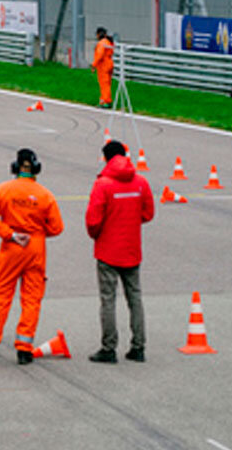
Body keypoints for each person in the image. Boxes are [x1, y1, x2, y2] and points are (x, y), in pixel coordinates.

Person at [0, 148, 64, 365]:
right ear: (36, 169)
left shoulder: (3, 190)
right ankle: (24, 349)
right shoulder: (45, 195)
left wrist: (11, 234)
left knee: (1, 296)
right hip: (35, 248)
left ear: (15, 167)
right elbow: (57, 227)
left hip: (12, 246)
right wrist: (38, 234)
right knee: (32, 299)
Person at [86, 140, 154, 364]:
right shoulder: (141, 182)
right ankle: (139, 346)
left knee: (108, 300)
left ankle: (109, 346)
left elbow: (93, 220)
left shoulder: (103, 184)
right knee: (135, 298)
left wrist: (97, 234)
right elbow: (148, 213)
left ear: (106, 158)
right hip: (131, 249)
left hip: (108, 250)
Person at [92, 27, 114, 108]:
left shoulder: (101, 43)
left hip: (103, 65)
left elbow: (100, 55)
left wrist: (94, 64)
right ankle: (106, 100)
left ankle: (105, 101)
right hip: (109, 63)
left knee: (104, 84)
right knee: (107, 84)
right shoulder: (109, 42)